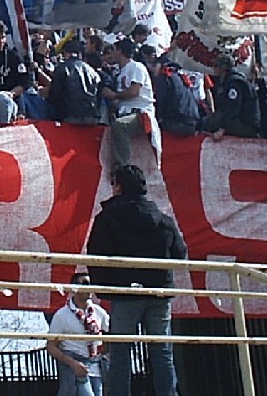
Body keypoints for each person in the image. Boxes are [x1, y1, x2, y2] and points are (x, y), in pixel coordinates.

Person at [86, 163, 186, 396]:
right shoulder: (163, 219)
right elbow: (180, 254)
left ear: (118, 187)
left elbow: (96, 254)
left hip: (125, 294)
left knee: (121, 352)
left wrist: (106, 290)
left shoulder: (107, 218)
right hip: (159, 293)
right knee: (162, 353)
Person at [47, 273, 109, 396]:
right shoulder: (62, 315)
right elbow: (51, 346)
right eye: (85, 283)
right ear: (74, 288)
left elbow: (112, 335)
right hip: (74, 366)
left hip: (95, 367)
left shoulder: (99, 312)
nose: (89, 287)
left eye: (91, 284)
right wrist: (71, 362)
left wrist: (105, 354)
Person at [101, 40, 159, 168]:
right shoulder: (120, 72)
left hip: (141, 113)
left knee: (120, 126)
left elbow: (134, 92)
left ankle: (121, 167)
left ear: (119, 51)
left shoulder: (136, 67)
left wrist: (113, 95)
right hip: (125, 111)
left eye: (114, 50)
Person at [204, 54, 260, 141]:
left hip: (245, 124)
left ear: (223, 68)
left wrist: (222, 129)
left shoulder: (234, 82)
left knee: (213, 121)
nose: (214, 69)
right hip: (240, 121)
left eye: (216, 66)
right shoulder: (227, 80)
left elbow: (233, 107)